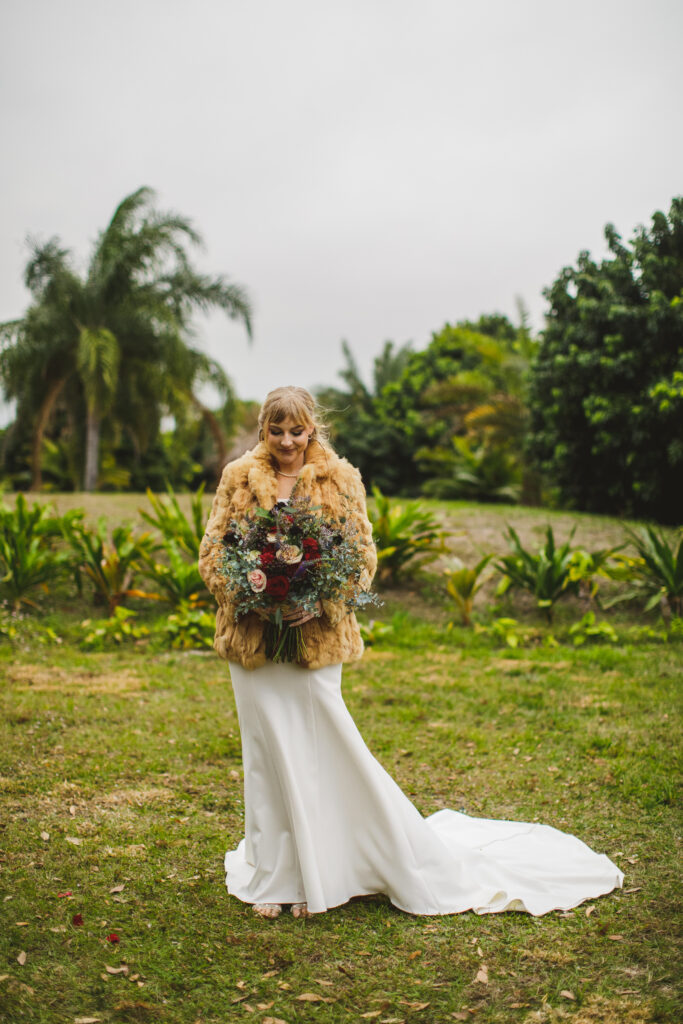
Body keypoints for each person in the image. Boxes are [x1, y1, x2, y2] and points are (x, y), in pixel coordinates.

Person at [198, 385, 623, 920]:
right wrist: (255, 596)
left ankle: (315, 874)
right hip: (255, 643)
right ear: (264, 429)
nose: (287, 441)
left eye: (297, 430)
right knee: (265, 759)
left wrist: (321, 601)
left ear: (313, 428)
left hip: (315, 642)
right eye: (276, 430)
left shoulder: (341, 478)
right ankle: (272, 878)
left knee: (315, 753)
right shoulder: (237, 477)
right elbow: (215, 552)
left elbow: (361, 559)